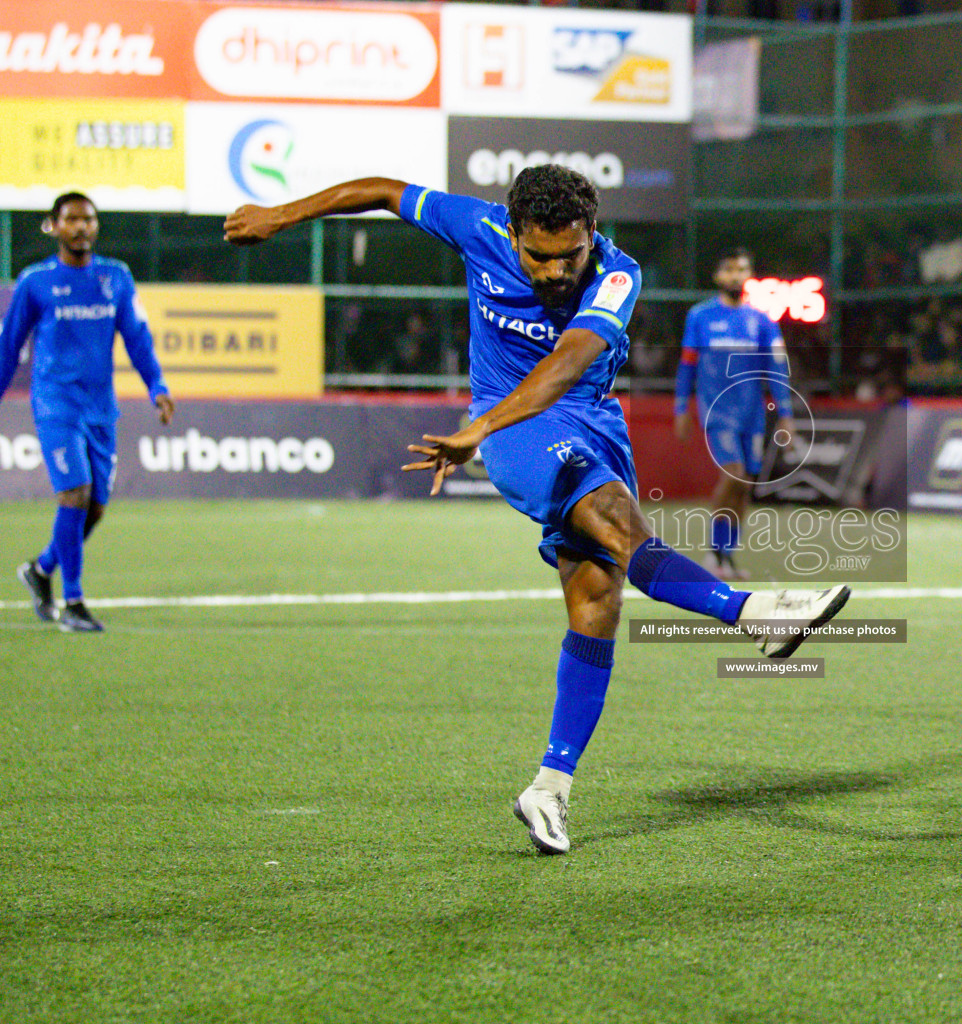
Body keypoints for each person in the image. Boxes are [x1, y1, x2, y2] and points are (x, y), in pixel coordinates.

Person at [223, 168, 850, 856]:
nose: (555, 272)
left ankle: (548, 788)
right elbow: (378, 191)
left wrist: (476, 427)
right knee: (619, 525)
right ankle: (756, 613)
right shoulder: (476, 227)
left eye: (569, 256)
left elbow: (568, 360)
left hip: (585, 423)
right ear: (513, 231)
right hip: (520, 433)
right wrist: (281, 215)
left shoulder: (617, 274)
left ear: (592, 237)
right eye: (539, 256)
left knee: (597, 601)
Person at [2, 192, 175, 632]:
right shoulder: (35, 282)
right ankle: (73, 602)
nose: (81, 227)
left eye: (88, 219)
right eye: (72, 220)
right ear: (54, 227)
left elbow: (137, 337)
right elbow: (9, 346)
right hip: (56, 404)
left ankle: (41, 570)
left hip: (101, 408)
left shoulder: (116, 278)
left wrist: (157, 385)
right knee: (75, 494)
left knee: (94, 509)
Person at [673, 249, 795, 580]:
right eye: (729, 269)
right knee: (734, 474)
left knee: (745, 485)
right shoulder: (700, 316)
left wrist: (785, 413)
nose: (736, 275)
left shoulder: (763, 321)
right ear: (717, 276)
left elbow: (777, 369)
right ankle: (712, 554)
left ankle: (727, 557)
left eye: (742, 269)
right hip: (716, 411)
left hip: (752, 415)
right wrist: (681, 407)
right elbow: (687, 365)